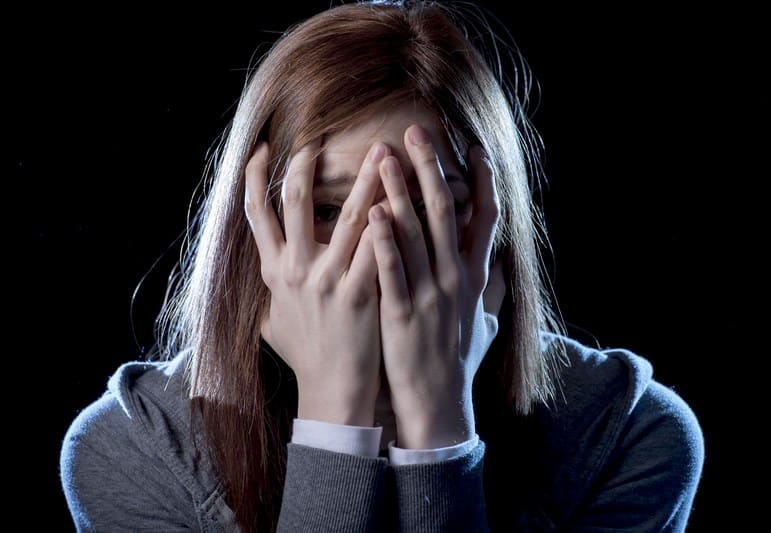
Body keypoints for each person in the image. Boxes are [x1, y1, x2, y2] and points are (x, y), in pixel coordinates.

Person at [59, 1, 704, 531]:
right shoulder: (135, 450)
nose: (380, 252)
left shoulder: (625, 435)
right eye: (331, 207)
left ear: (493, 225)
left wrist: (437, 424)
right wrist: (334, 411)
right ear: (252, 226)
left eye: (431, 209)